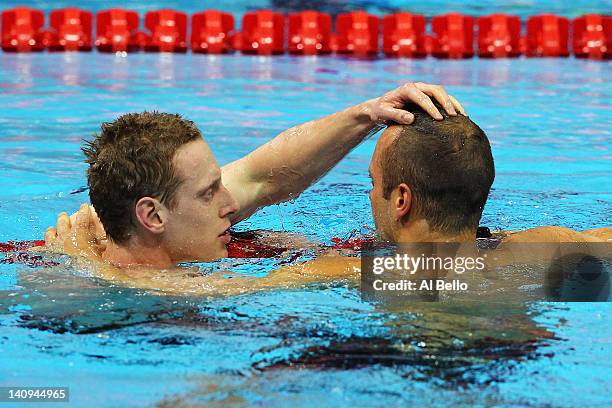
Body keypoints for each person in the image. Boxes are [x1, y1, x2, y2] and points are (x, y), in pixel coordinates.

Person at [45, 101, 610, 296]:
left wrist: (86, 268)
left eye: (370, 183)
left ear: (402, 200)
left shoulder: (359, 272)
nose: (228, 201)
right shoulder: (539, 251)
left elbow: (215, 294)